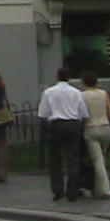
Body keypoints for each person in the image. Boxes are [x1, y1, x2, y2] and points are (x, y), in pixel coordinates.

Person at [38, 67, 90, 201]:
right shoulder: (77, 93)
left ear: (57, 77)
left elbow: (43, 113)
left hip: (56, 124)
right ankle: (72, 190)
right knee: (73, 159)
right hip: (73, 124)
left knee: (54, 158)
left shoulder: (49, 92)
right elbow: (84, 114)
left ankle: (57, 190)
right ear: (69, 77)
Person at [79, 71, 110, 199]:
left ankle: (105, 190)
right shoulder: (104, 93)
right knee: (102, 158)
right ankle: (97, 189)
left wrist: (82, 126)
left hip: (91, 128)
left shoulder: (82, 96)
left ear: (83, 82)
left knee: (97, 160)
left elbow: (83, 115)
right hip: (105, 127)